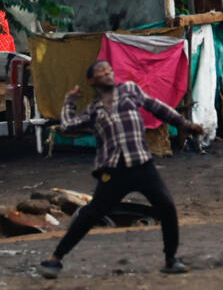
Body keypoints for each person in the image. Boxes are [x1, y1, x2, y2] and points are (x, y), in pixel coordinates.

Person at [40, 61, 205, 279]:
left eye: (109, 69)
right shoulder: (93, 111)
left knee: (166, 207)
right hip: (114, 171)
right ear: (92, 81)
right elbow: (68, 125)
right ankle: (55, 259)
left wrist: (185, 124)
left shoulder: (130, 90)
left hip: (142, 165)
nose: (107, 73)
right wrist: (69, 101)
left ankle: (170, 259)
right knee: (90, 215)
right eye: (101, 71)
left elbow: (158, 108)